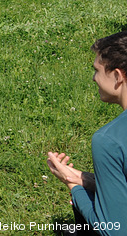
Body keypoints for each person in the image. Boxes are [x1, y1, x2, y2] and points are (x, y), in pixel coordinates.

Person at [47, 31, 127, 236]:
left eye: (97, 71)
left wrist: (74, 185)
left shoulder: (109, 141)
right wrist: (87, 179)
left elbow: (114, 231)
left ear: (117, 76)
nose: (94, 78)